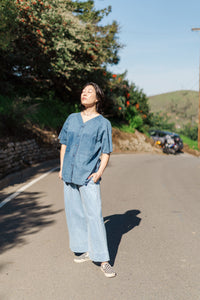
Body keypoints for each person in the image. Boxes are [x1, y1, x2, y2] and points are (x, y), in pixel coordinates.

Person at [58, 82, 116, 278]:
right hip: (69, 174)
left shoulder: (103, 124)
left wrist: (99, 173)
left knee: (94, 216)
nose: (84, 93)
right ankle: (83, 249)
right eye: (83, 91)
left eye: (89, 91)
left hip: (88, 176)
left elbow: (106, 151)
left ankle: (103, 259)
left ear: (97, 98)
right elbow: (64, 144)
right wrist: (61, 168)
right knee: (74, 213)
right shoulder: (72, 119)